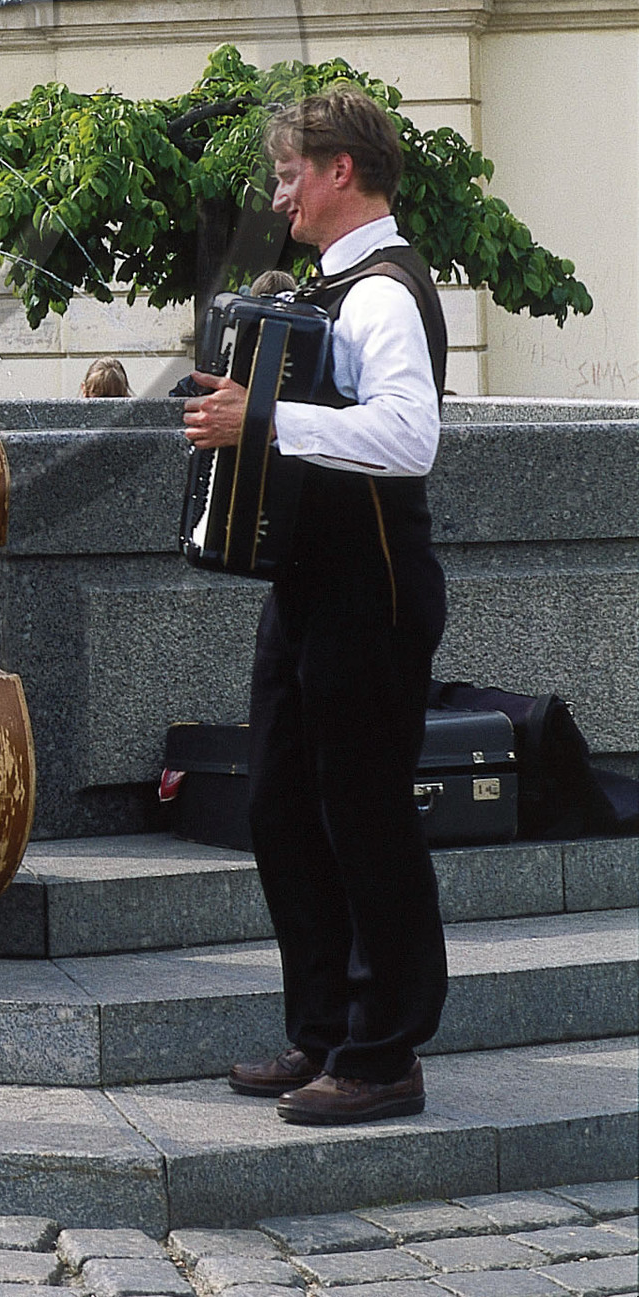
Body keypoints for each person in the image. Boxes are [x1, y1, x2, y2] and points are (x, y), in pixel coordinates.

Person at [183, 87, 449, 1127]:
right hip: (311, 589)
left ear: (342, 171)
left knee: (365, 819)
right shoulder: (328, 288)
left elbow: (407, 439)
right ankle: (325, 1031)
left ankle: (384, 1056)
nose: (279, 193)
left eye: (291, 172)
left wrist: (263, 419)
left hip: (370, 592)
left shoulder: (380, 291)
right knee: (281, 810)